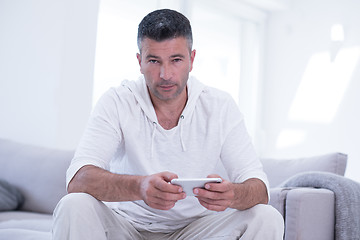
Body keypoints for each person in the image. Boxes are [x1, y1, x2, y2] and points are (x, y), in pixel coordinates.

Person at [52, 9, 284, 240]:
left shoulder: (219, 106)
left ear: (191, 60)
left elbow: (259, 188)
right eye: (154, 61)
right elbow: (77, 180)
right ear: (139, 61)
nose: (165, 74)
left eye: (176, 60)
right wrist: (140, 187)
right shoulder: (117, 101)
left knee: (266, 217)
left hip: (195, 230)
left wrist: (233, 194)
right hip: (126, 227)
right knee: (74, 204)